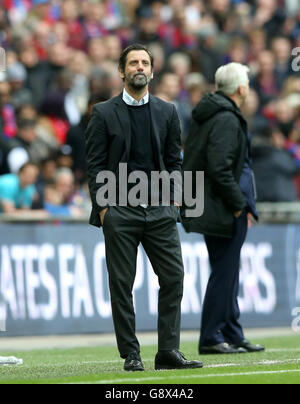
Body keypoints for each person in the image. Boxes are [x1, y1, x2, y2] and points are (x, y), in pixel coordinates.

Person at [85, 44, 203, 372]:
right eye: (133, 63)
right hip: (120, 210)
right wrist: (105, 208)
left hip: (160, 210)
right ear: (122, 72)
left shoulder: (167, 111)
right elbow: (93, 165)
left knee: (174, 277)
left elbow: (175, 160)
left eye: (145, 62)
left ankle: (168, 351)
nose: (140, 67)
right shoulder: (103, 113)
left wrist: (176, 198)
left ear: (152, 71)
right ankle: (131, 353)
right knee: (122, 283)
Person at [182, 63, 265, 355]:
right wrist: (238, 204)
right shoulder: (227, 118)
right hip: (222, 207)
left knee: (226, 270)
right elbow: (221, 167)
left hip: (210, 204)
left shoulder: (211, 114)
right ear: (241, 88)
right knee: (224, 272)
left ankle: (231, 330)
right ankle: (211, 336)